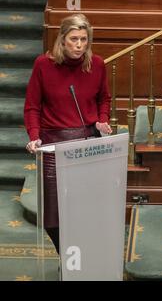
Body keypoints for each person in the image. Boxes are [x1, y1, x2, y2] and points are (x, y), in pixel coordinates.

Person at [24, 14, 112, 253]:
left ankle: (79, 263)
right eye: (74, 39)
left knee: (86, 211)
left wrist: (102, 121)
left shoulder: (97, 65)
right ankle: (68, 255)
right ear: (62, 40)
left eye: (84, 39)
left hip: (88, 143)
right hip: (54, 145)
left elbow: (104, 99)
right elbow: (32, 106)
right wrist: (34, 135)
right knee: (53, 217)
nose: (79, 45)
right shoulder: (43, 64)